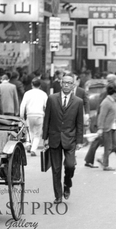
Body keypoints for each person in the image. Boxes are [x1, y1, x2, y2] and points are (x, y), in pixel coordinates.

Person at [42, 75, 84, 204]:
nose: (66, 85)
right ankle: (58, 195)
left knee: (70, 165)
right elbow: (47, 119)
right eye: (64, 82)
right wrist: (45, 138)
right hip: (54, 138)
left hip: (70, 139)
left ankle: (67, 183)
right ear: (61, 84)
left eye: (69, 83)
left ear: (73, 85)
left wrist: (79, 141)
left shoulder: (78, 101)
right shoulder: (52, 99)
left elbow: (79, 123)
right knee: (56, 169)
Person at [20, 78, 47, 156]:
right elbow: (47, 105)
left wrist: (21, 116)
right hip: (39, 115)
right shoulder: (43, 94)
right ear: (40, 85)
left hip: (30, 115)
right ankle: (33, 149)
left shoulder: (27, 93)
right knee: (37, 134)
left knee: (30, 131)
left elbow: (23, 105)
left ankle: (28, 143)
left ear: (32, 84)